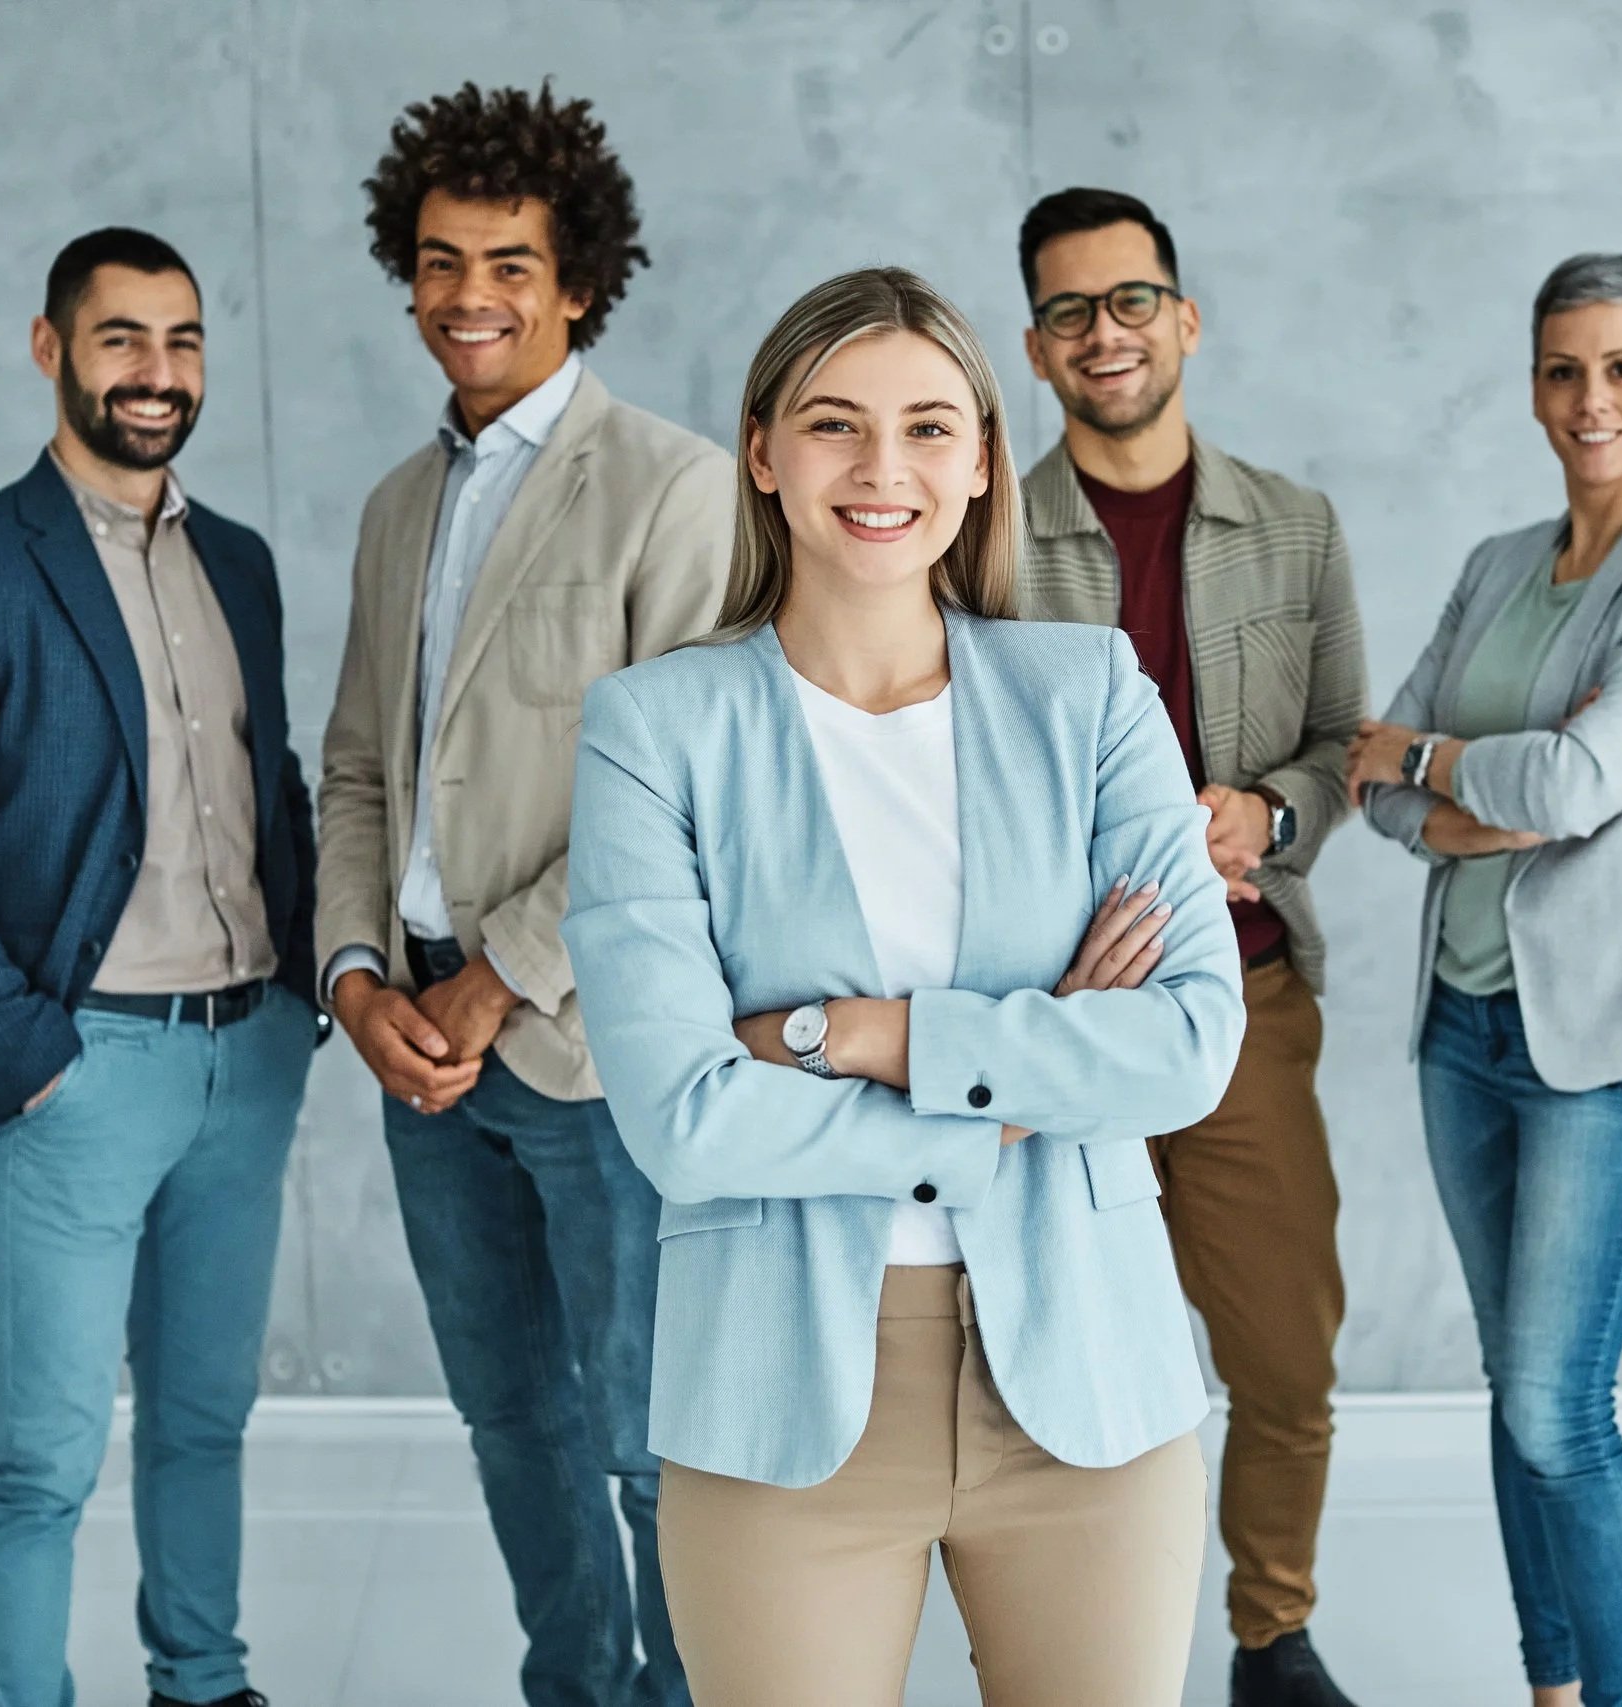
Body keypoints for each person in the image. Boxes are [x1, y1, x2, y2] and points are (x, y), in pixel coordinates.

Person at [562, 266, 1246, 1706]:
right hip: (777, 1394)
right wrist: (1024, 1077)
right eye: (835, 426)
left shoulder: (1092, 693)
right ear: (763, 450)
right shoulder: (651, 730)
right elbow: (684, 1116)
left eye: (932, 427)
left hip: (1089, 1384)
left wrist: (852, 1036)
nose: (885, 470)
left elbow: (1185, 1046)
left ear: (986, 457)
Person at [0, 227, 322, 1707]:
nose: (157, 373)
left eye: (181, 342)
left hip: (243, 1061)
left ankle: (202, 1681)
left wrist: (302, 999)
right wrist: (29, 1055)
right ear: (53, 349)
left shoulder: (237, 564)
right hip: (74, 1071)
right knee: (42, 1453)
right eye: (122, 340)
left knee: (203, 1420)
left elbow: (277, 788)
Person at [315, 81, 729, 1707]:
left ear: (576, 282)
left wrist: (497, 976)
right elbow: (357, 769)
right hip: (413, 1043)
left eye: (505, 262)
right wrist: (357, 978)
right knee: (510, 1423)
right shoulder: (396, 508)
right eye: (436, 261)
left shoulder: (674, 485)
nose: (465, 296)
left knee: (645, 1443)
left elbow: (685, 790)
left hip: (587, 1047)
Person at [1350, 254, 1622, 1707]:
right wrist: (1458, 784)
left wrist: (1443, 764)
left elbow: (1581, 782)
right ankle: (1554, 1688)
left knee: (1556, 1409)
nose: (1592, 400)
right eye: (1563, 371)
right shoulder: (1496, 566)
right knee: (1509, 1394)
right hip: (1462, 1029)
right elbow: (1372, 777)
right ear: (1535, 388)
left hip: (1605, 1048)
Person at [1010, 186, 1367, 1707]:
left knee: (1284, 1358)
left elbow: (1344, 747)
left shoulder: (1293, 528)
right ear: (1035, 347)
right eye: (1074, 311)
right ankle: (1068, 1648)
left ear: (1185, 318)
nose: (1109, 334)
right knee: (1052, 1360)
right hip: (1049, 1019)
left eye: (1133, 300)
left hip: (1241, 1004)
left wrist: (1269, 820)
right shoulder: (981, 536)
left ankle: (1269, 1638)